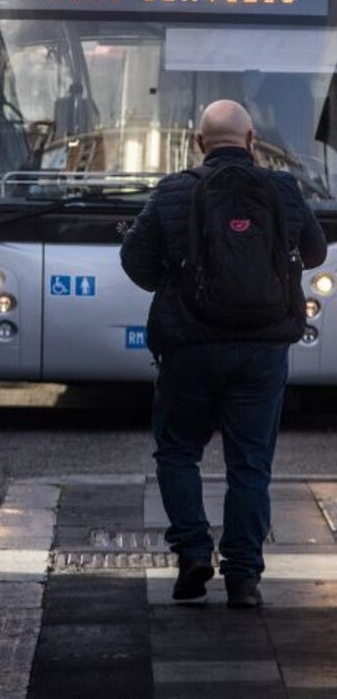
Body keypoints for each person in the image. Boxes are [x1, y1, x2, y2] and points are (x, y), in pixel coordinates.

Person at [120, 100, 326, 609]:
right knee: (251, 465)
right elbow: (317, 251)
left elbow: (135, 261)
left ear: (197, 143)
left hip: (190, 347)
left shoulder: (174, 191)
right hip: (262, 350)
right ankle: (243, 577)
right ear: (253, 141)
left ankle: (193, 551)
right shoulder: (281, 190)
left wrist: (177, 286)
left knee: (178, 451)